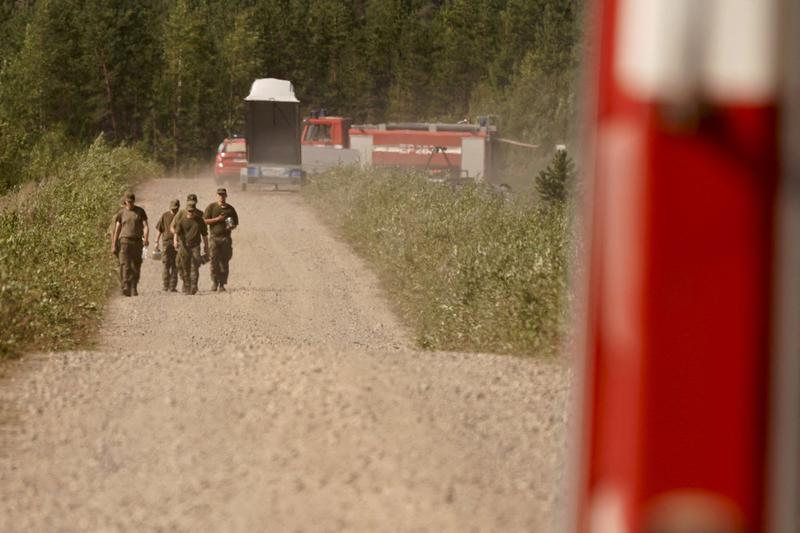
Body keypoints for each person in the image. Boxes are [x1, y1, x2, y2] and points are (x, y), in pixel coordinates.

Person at [111, 191, 149, 296]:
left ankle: (133, 287)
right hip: (124, 242)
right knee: (125, 265)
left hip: (137, 242)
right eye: (128, 202)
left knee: (136, 265)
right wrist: (113, 245)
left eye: (131, 202)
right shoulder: (121, 213)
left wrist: (146, 238)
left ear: (134, 201)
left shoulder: (140, 212)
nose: (130, 204)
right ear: (125, 201)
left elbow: (145, 225)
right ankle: (125, 286)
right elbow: (117, 229)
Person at [203, 187, 239, 292]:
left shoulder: (230, 209)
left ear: (226, 196)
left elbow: (235, 223)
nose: (221, 197)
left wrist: (231, 226)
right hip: (214, 238)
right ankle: (214, 282)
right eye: (219, 195)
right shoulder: (211, 207)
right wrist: (217, 219)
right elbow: (204, 221)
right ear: (216, 196)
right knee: (214, 261)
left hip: (226, 239)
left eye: (223, 195)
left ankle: (222, 284)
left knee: (224, 262)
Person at [173, 199, 208, 295]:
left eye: (193, 211)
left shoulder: (199, 221)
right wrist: (175, 241)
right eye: (189, 211)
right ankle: (187, 285)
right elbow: (176, 233)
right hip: (184, 247)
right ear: (186, 210)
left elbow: (204, 235)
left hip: (195, 246)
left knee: (194, 267)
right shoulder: (182, 221)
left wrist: (206, 246)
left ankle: (193, 287)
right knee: (184, 267)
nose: (191, 213)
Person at [170, 193, 199, 288]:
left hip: (194, 244)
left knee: (194, 264)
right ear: (186, 202)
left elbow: (204, 227)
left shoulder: (199, 214)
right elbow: (172, 226)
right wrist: (177, 236)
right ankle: (186, 282)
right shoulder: (181, 213)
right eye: (190, 202)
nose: (192, 204)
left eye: (194, 202)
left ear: (196, 202)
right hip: (182, 244)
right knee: (179, 264)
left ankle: (193, 284)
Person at [154, 199, 180, 292]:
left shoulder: (181, 216)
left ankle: (172, 286)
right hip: (166, 243)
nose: (174, 210)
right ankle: (165, 285)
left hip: (177, 243)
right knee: (166, 264)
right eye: (173, 208)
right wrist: (156, 241)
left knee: (175, 265)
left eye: (176, 208)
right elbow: (159, 230)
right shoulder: (165, 216)